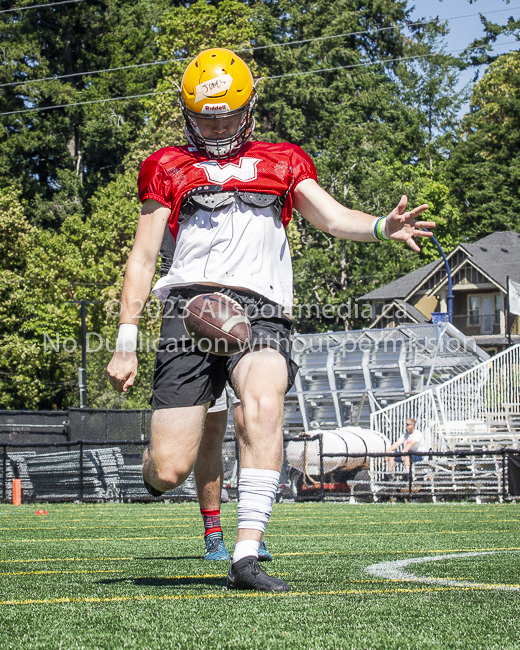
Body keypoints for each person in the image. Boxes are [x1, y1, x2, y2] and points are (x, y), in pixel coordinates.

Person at [107, 48, 434, 592]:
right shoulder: (165, 165)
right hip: (191, 308)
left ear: (250, 107)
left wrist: (381, 226)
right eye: (206, 116)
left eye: (227, 115)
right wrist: (125, 341)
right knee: (168, 471)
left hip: (261, 309)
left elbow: (330, 216)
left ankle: (246, 554)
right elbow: (142, 257)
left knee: (261, 403)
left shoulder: (283, 159)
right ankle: (157, 462)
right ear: (188, 113)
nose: (217, 126)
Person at [160, 228, 272, 562]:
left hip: (249, 313)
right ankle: (213, 534)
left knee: (251, 424)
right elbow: (169, 265)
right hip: (201, 321)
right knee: (210, 432)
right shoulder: (181, 196)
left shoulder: (252, 191)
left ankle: (251, 535)